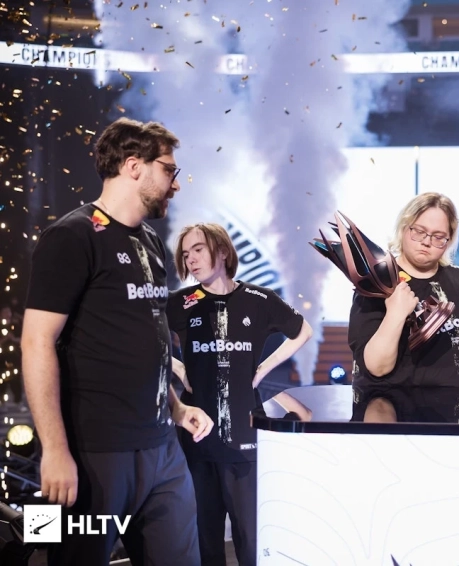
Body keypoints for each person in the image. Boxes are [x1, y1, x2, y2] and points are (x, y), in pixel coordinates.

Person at [21, 117, 212, 565]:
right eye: (169, 170)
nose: (175, 184)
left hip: (162, 449)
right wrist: (55, 451)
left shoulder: (151, 241)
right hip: (94, 454)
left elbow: (143, 342)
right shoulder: (70, 236)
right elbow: (35, 343)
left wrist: (175, 408)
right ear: (133, 166)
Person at [167, 222, 313, 566]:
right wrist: (178, 367)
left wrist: (263, 367)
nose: (190, 259)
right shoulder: (182, 302)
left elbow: (303, 330)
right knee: (205, 543)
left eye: (198, 249)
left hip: (244, 440)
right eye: (185, 254)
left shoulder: (259, 299)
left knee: (250, 541)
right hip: (197, 441)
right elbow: (144, 336)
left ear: (222, 251)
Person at [348, 192, 459, 422]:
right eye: (419, 231)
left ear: (449, 240)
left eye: (438, 236)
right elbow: (376, 367)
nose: (426, 241)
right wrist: (395, 314)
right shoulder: (378, 284)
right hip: (403, 427)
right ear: (404, 228)